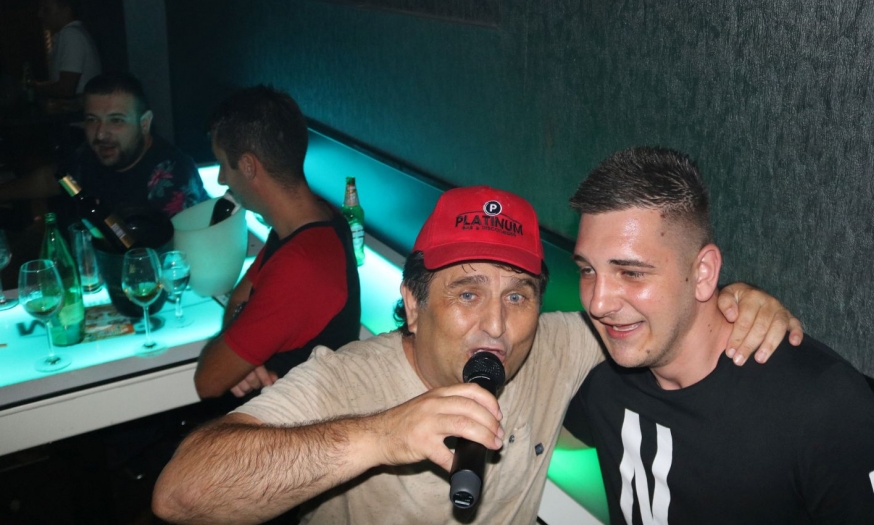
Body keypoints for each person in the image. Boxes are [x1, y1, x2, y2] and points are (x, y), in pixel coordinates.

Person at [153, 184, 801, 524]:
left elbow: (654, 314)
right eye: (467, 292)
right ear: (412, 303)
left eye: (518, 295)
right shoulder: (346, 379)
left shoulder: (550, 345)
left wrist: (734, 300)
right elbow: (181, 493)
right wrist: (381, 436)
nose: (496, 324)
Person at [563, 147, 874, 524]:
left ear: (704, 273)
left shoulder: (823, 407)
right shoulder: (605, 379)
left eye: (631, 273)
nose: (598, 303)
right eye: (587, 270)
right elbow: (540, 431)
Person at [193, 85, 361, 399]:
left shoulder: (300, 265)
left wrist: (237, 356)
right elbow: (239, 299)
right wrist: (246, 355)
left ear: (248, 166)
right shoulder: (313, 217)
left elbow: (207, 380)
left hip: (300, 423)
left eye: (223, 165)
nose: (221, 179)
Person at [0, 72, 207, 219]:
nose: (100, 133)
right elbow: (54, 179)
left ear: (144, 124)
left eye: (116, 120)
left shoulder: (172, 174)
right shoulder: (92, 153)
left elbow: (179, 253)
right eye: (92, 119)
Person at [36, 0, 102, 97]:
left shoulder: (71, 35)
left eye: (46, 9)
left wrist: (35, 89)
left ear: (66, 10)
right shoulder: (73, 33)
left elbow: (66, 88)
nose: (40, 14)